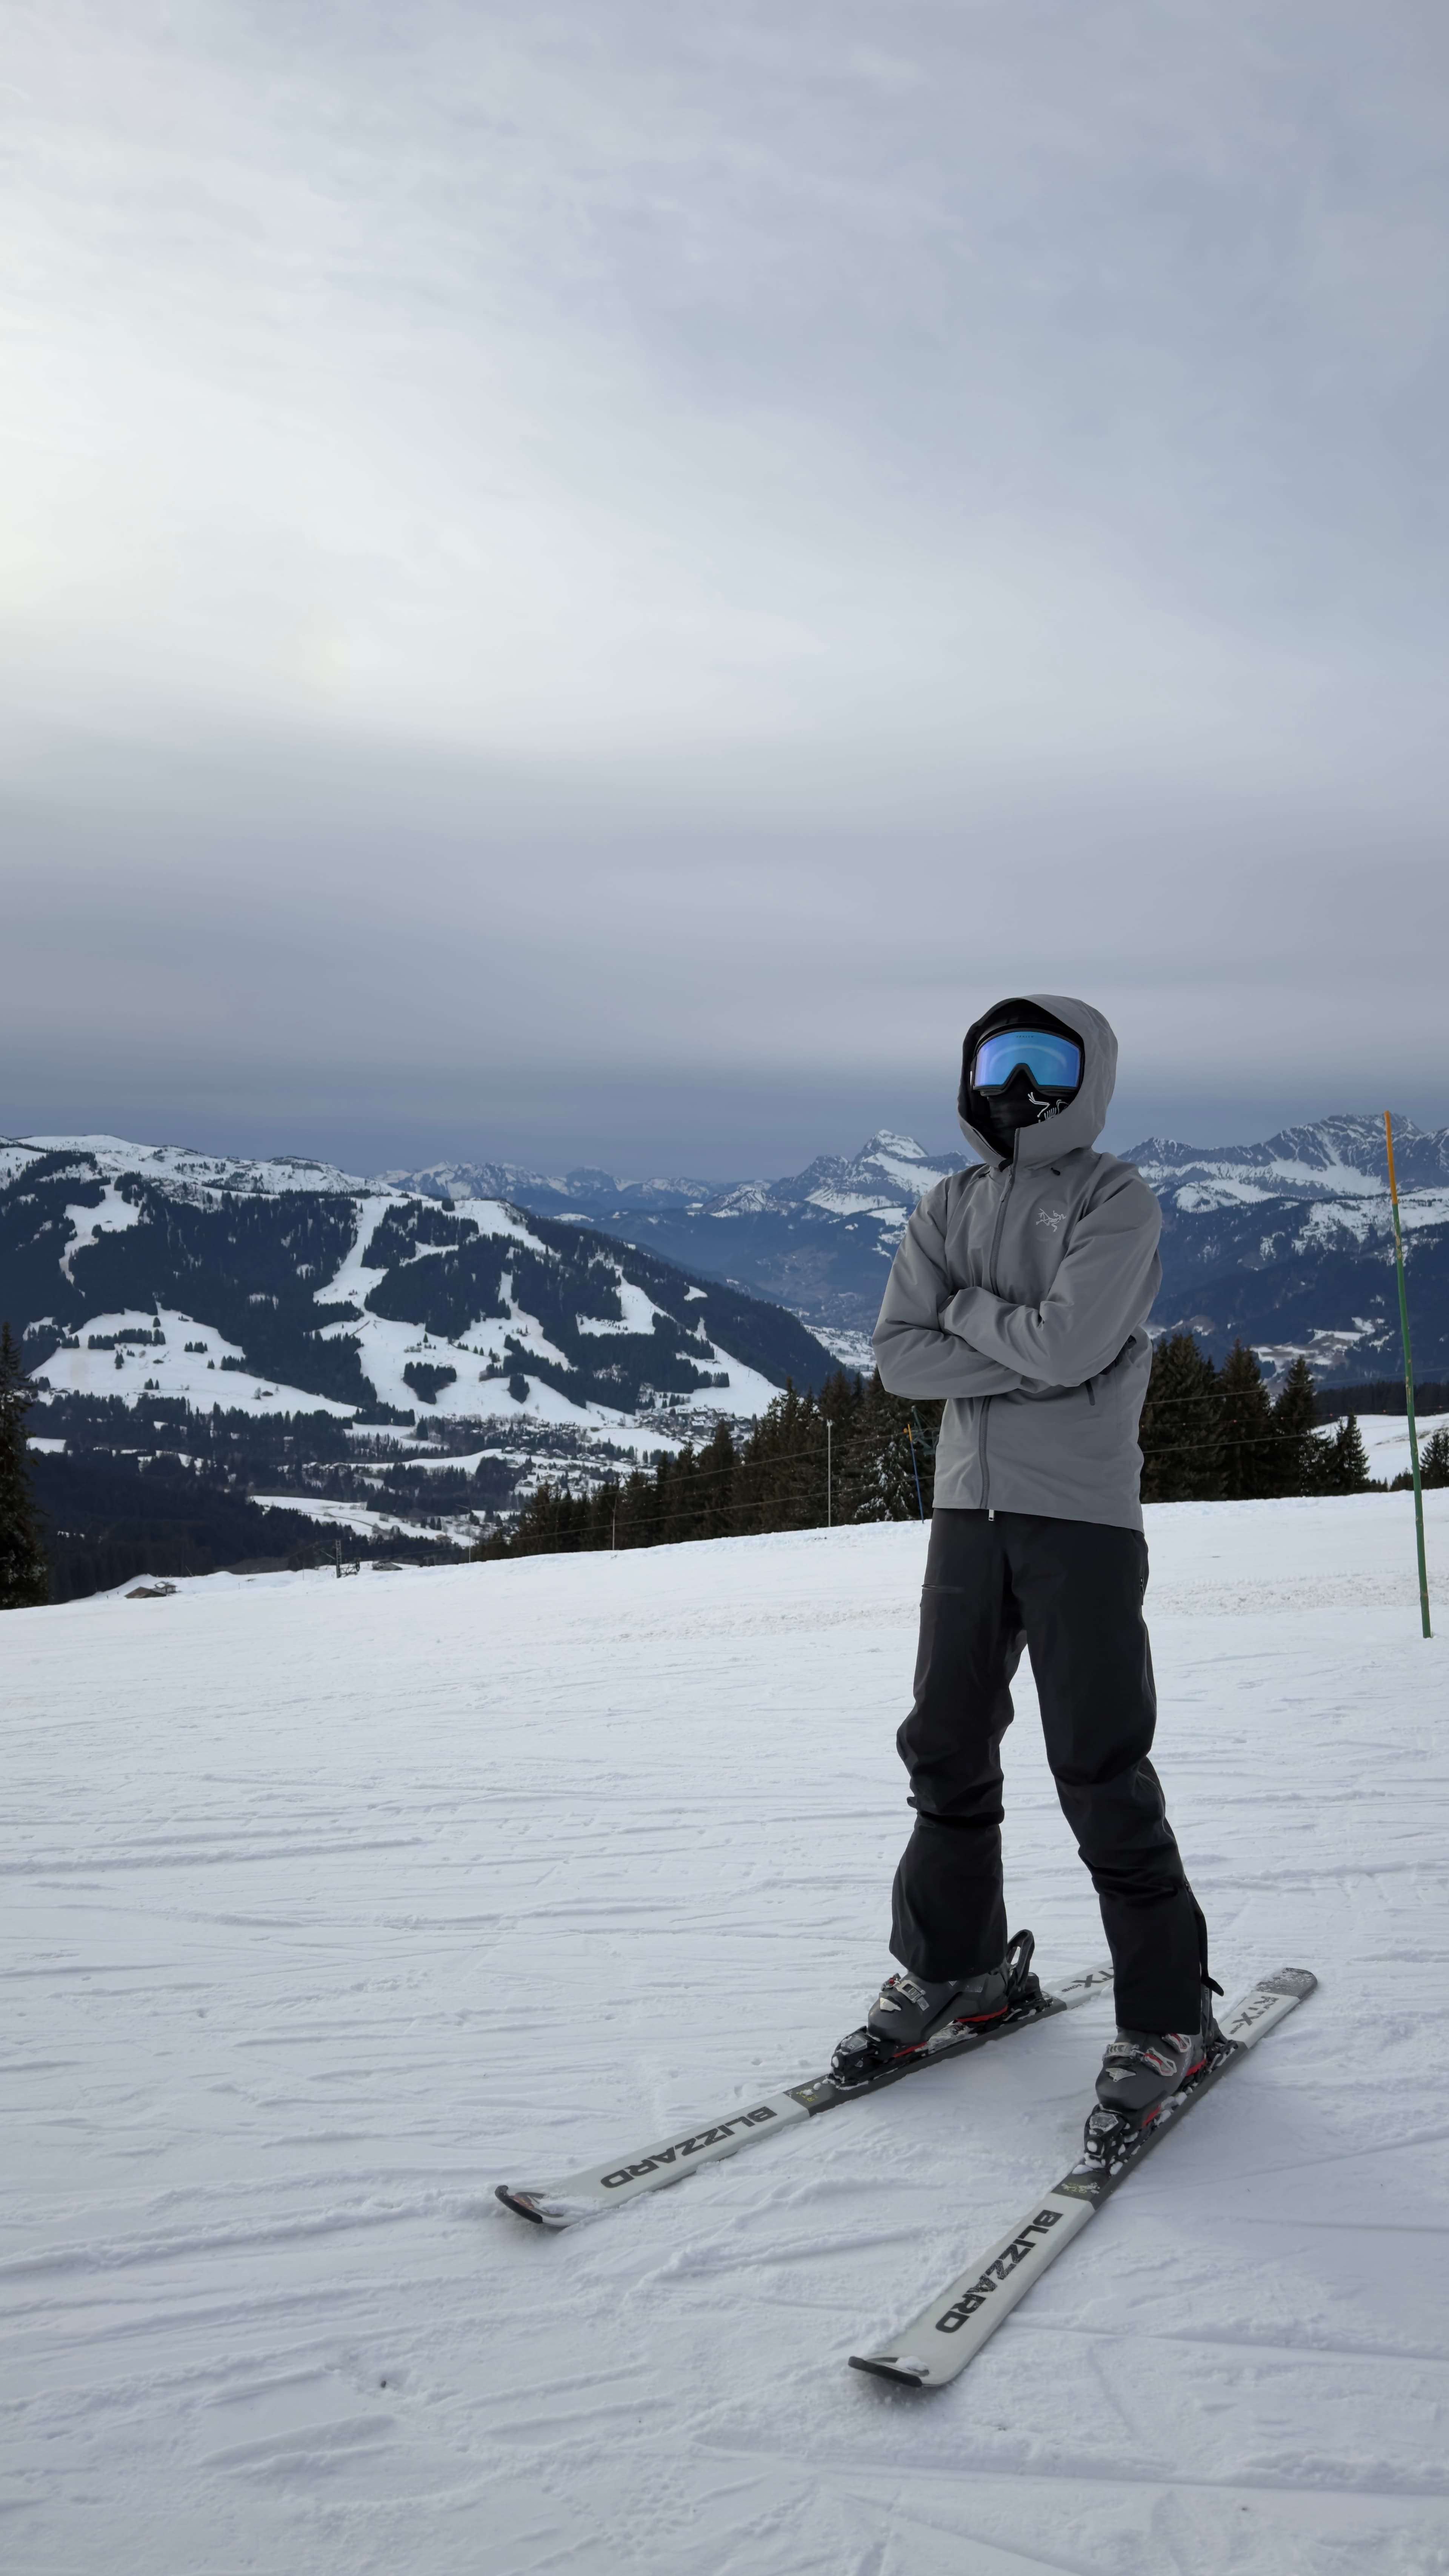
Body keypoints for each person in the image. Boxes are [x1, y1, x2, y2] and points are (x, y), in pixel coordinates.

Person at [839, 993, 1215, 2119]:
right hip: (968, 1508)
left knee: (1098, 1760)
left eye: (1040, 1060)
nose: (1014, 1083)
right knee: (945, 1739)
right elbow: (900, 1359)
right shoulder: (947, 1200)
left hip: (1083, 1515)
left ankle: (1168, 2013)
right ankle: (959, 1962)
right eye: (996, 1058)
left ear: (1086, 1075)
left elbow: (1071, 1342)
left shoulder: (1116, 1197)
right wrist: (1022, 1349)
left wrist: (965, 1315)